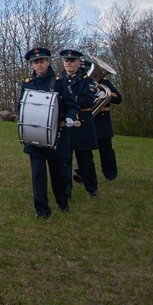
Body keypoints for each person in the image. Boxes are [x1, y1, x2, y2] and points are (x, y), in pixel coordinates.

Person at [20, 47, 79, 219]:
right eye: (35, 62)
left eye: (42, 61)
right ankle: (42, 210)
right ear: (32, 64)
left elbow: (72, 106)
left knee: (59, 174)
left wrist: (69, 117)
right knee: (38, 175)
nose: (39, 65)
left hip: (57, 135)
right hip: (35, 135)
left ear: (48, 62)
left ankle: (62, 202)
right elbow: (22, 105)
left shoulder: (60, 82)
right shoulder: (28, 82)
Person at [59, 49, 100, 198]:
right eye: (66, 61)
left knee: (85, 161)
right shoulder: (59, 80)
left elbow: (87, 100)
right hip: (66, 125)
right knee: (64, 161)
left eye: (72, 61)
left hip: (82, 124)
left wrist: (69, 100)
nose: (68, 63)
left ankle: (91, 189)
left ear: (78, 63)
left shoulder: (86, 81)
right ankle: (66, 191)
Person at [89, 61, 121, 182]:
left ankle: (110, 174)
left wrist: (106, 94)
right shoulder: (84, 82)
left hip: (102, 121)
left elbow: (118, 98)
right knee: (85, 150)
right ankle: (82, 173)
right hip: (88, 120)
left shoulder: (105, 84)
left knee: (106, 150)